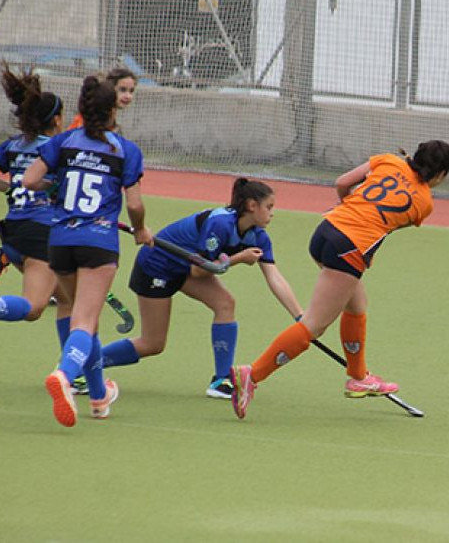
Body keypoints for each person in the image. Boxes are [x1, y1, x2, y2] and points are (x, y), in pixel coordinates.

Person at [229, 140, 449, 419]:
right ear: (441, 174)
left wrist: (347, 207)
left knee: (356, 304)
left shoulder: (387, 160)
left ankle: (359, 376)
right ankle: (251, 376)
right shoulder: (424, 202)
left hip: (325, 231)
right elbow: (383, 224)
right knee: (314, 325)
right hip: (349, 248)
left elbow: (342, 183)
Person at [97, 177, 304, 399]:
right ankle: (85, 366)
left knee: (225, 303)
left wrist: (301, 319)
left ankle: (221, 380)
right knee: (153, 343)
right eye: (269, 207)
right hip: (157, 266)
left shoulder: (258, 236)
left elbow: (275, 277)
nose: (273, 213)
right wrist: (238, 258)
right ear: (252, 206)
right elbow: (199, 272)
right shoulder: (221, 224)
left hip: (184, 269)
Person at [24, 75, 151, 427]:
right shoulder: (125, 150)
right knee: (85, 319)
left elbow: (30, 181)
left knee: (74, 311)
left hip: (61, 240)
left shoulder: (64, 142)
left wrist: (58, 184)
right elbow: (136, 205)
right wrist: (140, 229)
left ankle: (98, 397)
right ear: (112, 111)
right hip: (98, 241)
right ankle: (64, 375)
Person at [0, 63, 75, 344]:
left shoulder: (13, 146)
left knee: (69, 298)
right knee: (33, 307)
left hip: (14, 231)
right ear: (56, 119)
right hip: (41, 234)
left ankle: (72, 370)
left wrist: (11, 187)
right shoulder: (58, 148)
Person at [67, 67, 137, 131]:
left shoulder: (112, 122)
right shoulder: (90, 119)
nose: (128, 96)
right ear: (109, 88)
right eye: (122, 90)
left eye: (131, 91)